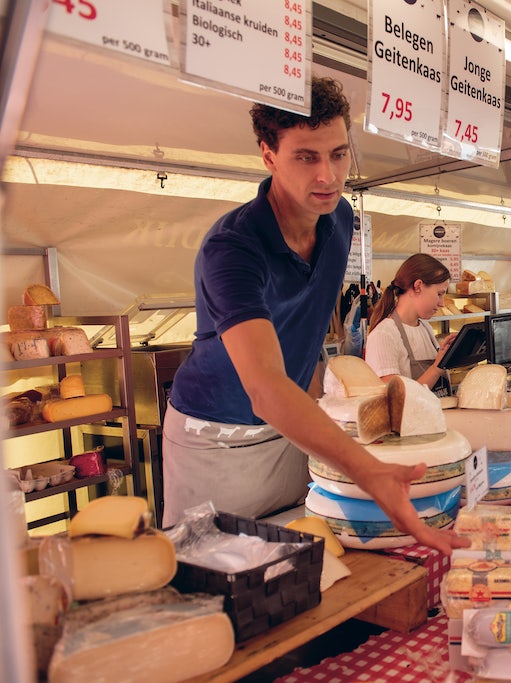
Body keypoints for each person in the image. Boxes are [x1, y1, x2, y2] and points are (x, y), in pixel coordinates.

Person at [162, 77, 464, 554]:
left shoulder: (339, 218)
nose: (328, 175)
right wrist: (367, 471)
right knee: (217, 571)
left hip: (291, 429)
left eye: (339, 154)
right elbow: (264, 385)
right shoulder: (233, 248)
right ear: (268, 155)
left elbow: (302, 333)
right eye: (306, 157)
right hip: (215, 435)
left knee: (303, 555)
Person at [364, 253, 456, 395]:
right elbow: (393, 397)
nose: (442, 303)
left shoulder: (425, 327)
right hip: (409, 417)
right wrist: (437, 368)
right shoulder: (384, 335)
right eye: (439, 294)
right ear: (418, 286)